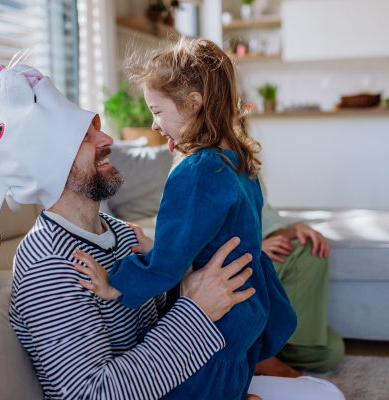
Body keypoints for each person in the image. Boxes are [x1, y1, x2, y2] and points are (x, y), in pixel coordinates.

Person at [74, 38, 343, 400]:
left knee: (192, 387)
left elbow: (168, 263)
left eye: (157, 110)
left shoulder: (197, 171)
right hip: (249, 304)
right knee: (230, 372)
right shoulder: (239, 163)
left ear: (193, 103)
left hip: (218, 315)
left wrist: (113, 285)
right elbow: (221, 235)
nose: (155, 125)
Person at [254, 180, 345, 378]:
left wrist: (296, 230)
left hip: (260, 258)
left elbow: (271, 229)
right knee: (309, 253)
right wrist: (254, 249)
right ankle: (258, 355)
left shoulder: (247, 170)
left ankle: (267, 346)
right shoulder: (200, 171)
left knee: (331, 353)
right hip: (239, 265)